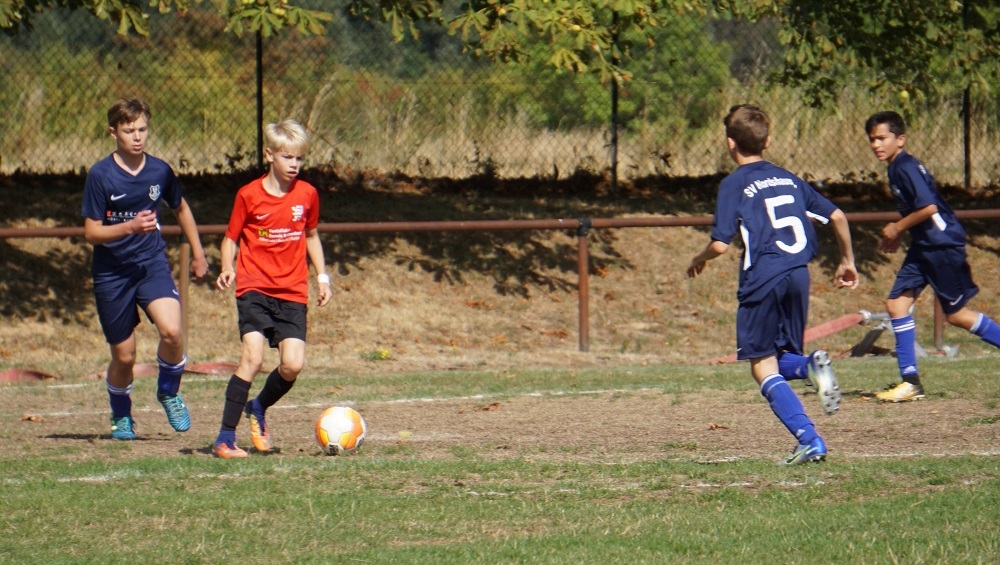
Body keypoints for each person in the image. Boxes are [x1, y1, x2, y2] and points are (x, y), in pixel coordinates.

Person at [687, 104, 859, 465]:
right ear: (767, 141)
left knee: (761, 365)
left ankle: (809, 438)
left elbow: (720, 244)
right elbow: (837, 215)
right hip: (798, 275)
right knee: (778, 357)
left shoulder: (734, 184)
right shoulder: (788, 178)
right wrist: (847, 261)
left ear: (730, 143)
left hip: (763, 278)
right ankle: (809, 368)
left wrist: (698, 258)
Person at [82, 98, 209, 440]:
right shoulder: (100, 175)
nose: (137, 137)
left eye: (142, 129)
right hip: (112, 274)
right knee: (125, 357)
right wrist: (130, 227)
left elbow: (181, 209)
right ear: (113, 133)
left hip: (150, 265)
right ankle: (121, 415)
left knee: (173, 331)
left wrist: (198, 253)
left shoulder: (159, 171)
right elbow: (92, 233)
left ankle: (168, 392)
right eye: (129, 131)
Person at [212, 119, 332, 458]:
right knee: (252, 357)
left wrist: (322, 277)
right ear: (269, 155)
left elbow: (311, 236)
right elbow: (230, 238)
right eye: (287, 157)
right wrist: (227, 266)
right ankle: (225, 438)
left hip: (292, 292)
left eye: (299, 158)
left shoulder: (307, 194)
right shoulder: (248, 195)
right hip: (254, 288)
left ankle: (259, 406)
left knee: (292, 365)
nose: (294, 165)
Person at [864, 110, 1000, 402]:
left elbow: (929, 207)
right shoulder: (896, 167)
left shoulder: (904, 166)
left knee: (957, 315)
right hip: (924, 246)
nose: (876, 144)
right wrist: (902, 232)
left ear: (900, 139)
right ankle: (911, 382)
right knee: (896, 304)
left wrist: (897, 227)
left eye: (882, 138)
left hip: (942, 247)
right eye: (872, 139)